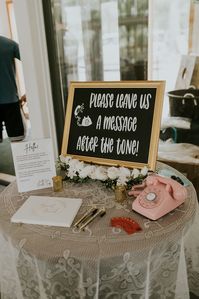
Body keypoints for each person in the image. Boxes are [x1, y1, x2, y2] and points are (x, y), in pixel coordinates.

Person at [0, 35, 25, 143]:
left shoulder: (10, 44)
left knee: (17, 140)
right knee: (17, 140)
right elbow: (32, 63)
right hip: (10, 100)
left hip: (10, 100)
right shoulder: (9, 44)